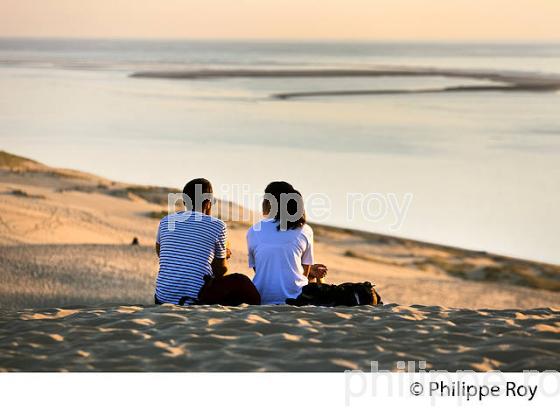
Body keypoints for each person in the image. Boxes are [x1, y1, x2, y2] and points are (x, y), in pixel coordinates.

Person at [155, 178, 260, 306]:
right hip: (197, 298)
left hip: (162, 298)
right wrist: (224, 257)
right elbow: (220, 271)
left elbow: (161, 253)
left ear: (184, 201)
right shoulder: (218, 225)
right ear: (209, 202)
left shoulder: (166, 221)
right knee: (241, 281)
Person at [247, 181, 327, 304]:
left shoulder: (253, 231)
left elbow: (260, 269)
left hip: (262, 298)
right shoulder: (305, 230)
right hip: (296, 300)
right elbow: (305, 273)